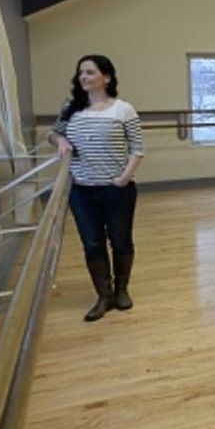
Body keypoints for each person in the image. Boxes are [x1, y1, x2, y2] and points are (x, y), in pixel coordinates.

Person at [48, 55, 144, 321]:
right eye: (81, 73)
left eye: (90, 72)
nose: (84, 77)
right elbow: (53, 133)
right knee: (92, 243)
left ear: (107, 77)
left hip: (117, 190)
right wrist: (61, 141)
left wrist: (124, 178)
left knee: (120, 239)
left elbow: (137, 149)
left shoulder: (123, 110)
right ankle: (104, 295)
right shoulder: (71, 108)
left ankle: (122, 291)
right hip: (81, 191)